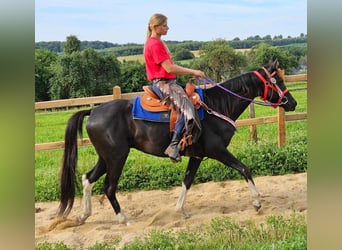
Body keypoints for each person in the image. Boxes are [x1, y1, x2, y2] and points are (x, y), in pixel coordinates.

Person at [144, 13, 206, 163]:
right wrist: (193, 71)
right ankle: (173, 145)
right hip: (163, 84)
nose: (168, 28)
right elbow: (169, 68)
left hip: (169, 82)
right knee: (188, 109)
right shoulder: (155, 44)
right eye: (164, 25)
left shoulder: (156, 43)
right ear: (155, 26)